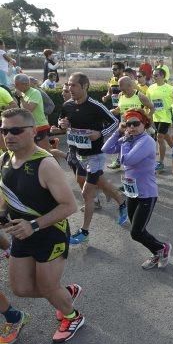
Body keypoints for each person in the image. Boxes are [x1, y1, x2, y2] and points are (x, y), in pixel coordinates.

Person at [0, 108, 84, 343]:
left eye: (16, 130)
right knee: (21, 288)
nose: (9, 136)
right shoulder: (5, 160)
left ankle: (72, 315)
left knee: (47, 287)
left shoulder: (45, 164)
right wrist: (2, 213)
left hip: (49, 234)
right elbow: (5, 194)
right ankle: (65, 294)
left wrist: (34, 225)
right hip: (22, 235)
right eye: (4, 130)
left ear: (33, 131)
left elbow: (69, 206)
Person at [58, 72, 128, 244]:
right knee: (101, 183)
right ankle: (121, 200)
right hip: (78, 154)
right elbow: (62, 120)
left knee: (86, 194)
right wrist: (62, 125)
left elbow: (114, 122)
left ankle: (84, 232)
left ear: (84, 86)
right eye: (68, 85)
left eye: (74, 85)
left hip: (95, 156)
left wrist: (99, 133)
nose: (69, 88)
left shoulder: (95, 106)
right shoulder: (67, 105)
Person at [102, 109, 172, 269]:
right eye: (128, 124)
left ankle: (162, 248)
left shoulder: (145, 141)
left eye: (136, 123)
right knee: (138, 230)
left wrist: (124, 141)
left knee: (136, 232)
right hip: (132, 191)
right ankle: (157, 252)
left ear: (144, 124)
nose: (132, 127)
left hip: (147, 194)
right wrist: (118, 133)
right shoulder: (129, 138)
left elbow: (129, 161)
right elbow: (106, 149)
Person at [13, 74, 51, 151]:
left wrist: (20, 97)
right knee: (33, 153)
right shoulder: (24, 93)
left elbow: (29, 109)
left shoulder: (35, 92)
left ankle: (62, 155)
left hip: (40, 127)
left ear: (25, 84)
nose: (15, 86)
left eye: (16, 84)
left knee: (45, 153)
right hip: (29, 128)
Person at [146, 68, 173, 172]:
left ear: (163, 76)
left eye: (156, 75)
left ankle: (161, 162)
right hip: (156, 117)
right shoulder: (151, 88)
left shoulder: (170, 88)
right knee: (165, 136)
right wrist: (148, 113)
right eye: (153, 75)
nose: (154, 77)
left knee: (159, 137)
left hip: (166, 116)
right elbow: (148, 102)